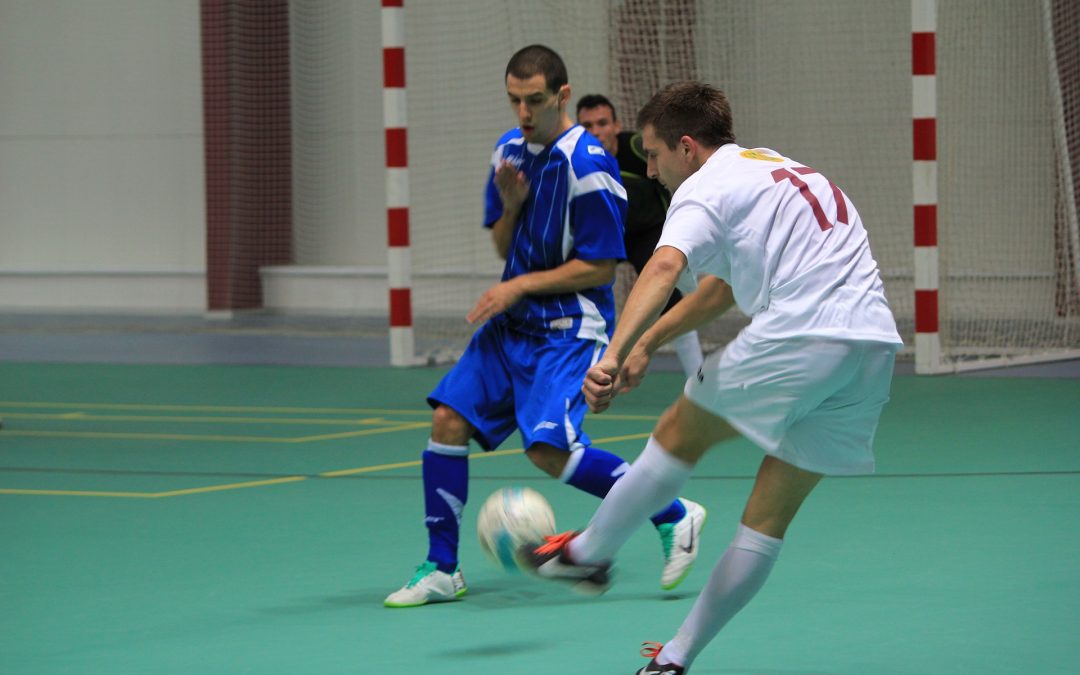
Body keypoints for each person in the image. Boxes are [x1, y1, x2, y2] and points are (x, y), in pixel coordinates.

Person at [520, 81, 903, 674]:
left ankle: (587, 553)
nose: (649, 169)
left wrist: (612, 354)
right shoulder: (772, 170)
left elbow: (664, 264)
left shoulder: (702, 187)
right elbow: (718, 292)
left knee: (678, 432)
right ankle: (674, 659)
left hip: (803, 333)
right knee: (766, 522)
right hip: (871, 351)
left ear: (688, 147)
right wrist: (648, 343)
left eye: (652, 154)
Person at [384, 47, 706, 609]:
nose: (523, 111)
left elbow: (600, 266)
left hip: (568, 328)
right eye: (514, 99)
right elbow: (504, 247)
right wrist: (510, 208)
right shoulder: (508, 153)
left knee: (549, 450)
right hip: (511, 328)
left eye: (534, 99)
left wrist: (516, 287)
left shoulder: (589, 165)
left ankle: (673, 512)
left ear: (562, 96)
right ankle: (441, 568)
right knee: (447, 420)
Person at [576, 94, 705, 378]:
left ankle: (698, 378)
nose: (597, 131)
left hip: (649, 231)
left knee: (676, 298)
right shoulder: (573, 161)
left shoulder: (637, 147)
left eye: (602, 123)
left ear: (616, 125)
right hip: (606, 237)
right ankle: (585, 372)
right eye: (587, 125)